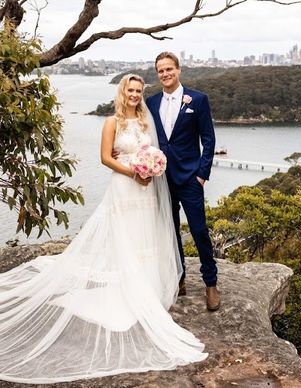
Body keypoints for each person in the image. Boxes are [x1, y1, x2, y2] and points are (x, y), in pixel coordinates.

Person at [0, 74, 207, 384]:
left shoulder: (145, 121)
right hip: (125, 185)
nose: (136, 95)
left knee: (145, 237)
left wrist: (152, 167)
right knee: (126, 237)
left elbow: (154, 150)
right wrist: (134, 172)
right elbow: (104, 158)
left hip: (146, 189)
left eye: (139, 90)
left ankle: (148, 289)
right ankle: (129, 292)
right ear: (123, 92)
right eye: (131, 90)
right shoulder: (112, 122)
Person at [146, 52, 220, 311]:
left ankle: (211, 284)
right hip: (161, 178)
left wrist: (201, 174)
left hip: (190, 178)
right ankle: (180, 278)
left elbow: (208, 139)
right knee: (170, 230)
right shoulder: (151, 103)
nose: (165, 74)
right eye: (160, 71)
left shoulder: (197, 100)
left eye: (169, 69)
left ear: (178, 70)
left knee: (199, 230)